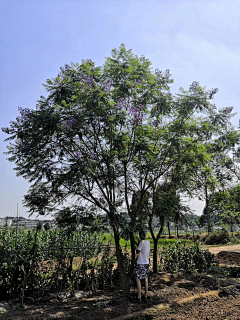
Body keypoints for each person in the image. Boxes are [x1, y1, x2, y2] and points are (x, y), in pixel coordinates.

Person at [135, 230, 150, 301]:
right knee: (145, 278)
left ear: (140, 236)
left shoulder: (141, 242)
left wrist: (137, 245)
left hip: (141, 263)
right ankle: (146, 295)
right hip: (147, 262)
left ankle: (139, 296)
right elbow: (142, 248)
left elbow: (137, 251)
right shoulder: (148, 242)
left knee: (138, 278)